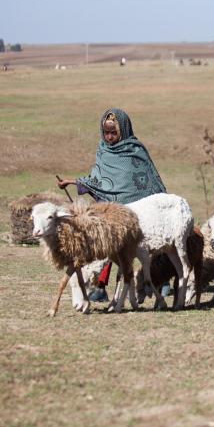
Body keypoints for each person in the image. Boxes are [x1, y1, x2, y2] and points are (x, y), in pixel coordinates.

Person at [58, 108, 166, 300]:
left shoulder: (135, 150)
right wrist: (71, 181)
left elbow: (150, 181)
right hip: (114, 212)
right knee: (109, 245)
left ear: (123, 130)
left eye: (113, 133)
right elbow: (97, 180)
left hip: (140, 209)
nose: (109, 137)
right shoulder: (103, 151)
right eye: (106, 132)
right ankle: (100, 287)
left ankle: (162, 281)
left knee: (152, 245)